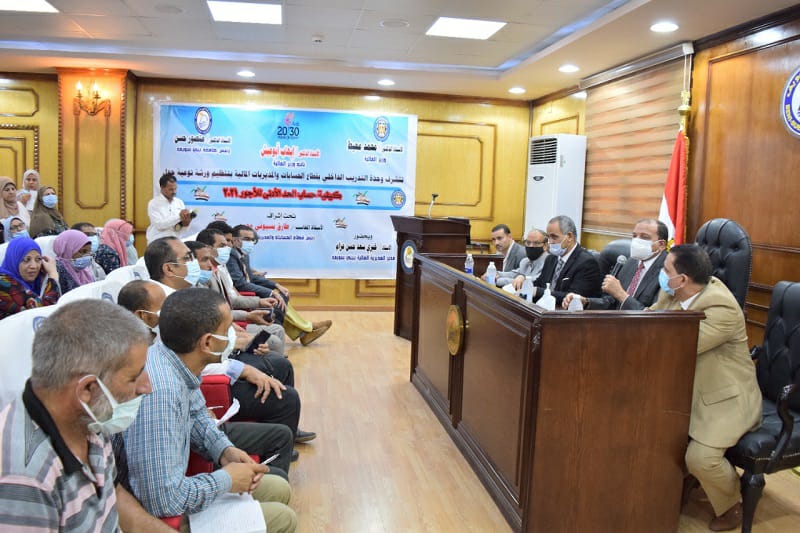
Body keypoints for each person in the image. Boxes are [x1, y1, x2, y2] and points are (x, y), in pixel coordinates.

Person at [115, 288, 297, 532]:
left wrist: (224, 450)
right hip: (155, 517)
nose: (234, 335)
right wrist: (227, 480)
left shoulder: (175, 360)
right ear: (208, 342)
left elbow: (198, 414)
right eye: (227, 330)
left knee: (279, 488)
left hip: (172, 492)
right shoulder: (160, 394)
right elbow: (162, 501)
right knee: (284, 518)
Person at [0, 299, 173, 532]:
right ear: (87, 389)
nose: (147, 387)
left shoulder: (90, 418)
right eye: (133, 378)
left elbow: (114, 498)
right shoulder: (24, 479)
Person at [144, 237, 315, 444]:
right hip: (212, 378)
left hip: (223, 358)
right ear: (169, 269)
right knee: (287, 397)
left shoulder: (182, 293)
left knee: (280, 365)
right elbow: (191, 361)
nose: (196, 264)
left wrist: (239, 341)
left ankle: (284, 431)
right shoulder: (163, 306)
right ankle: (278, 440)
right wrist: (242, 366)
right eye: (188, 258)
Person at [649, 244, 761, 531]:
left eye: (666, 270)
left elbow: (677, 347)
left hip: (725, 400)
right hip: (685, 391)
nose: (661, 274)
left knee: (701, 459)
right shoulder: (673, 292)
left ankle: (731, 505)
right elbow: (649, 320)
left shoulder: (721, 308)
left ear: (683, 279)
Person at [228, 223, 332, 346]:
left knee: (282, 296)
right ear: (235, 240)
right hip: (243, 296)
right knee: (277, 300)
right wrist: (271, 292)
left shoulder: (243, 254)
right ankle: (306, 328)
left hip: (249, 292)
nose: (250, 242)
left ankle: (304, 331)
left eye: (252, 240)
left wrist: (276, 285)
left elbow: (251, 277)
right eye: (246, 239)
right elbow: (241, 284)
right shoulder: (231, 255)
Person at [195, 229, 286, 354]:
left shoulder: (218, 270)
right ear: (208, 248)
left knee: (277, 328)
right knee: (274, 339)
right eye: (222, 246)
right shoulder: (203, 277)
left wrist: (259, 302)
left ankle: (270, 362)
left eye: (228, 244)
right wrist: (246, 316)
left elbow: (231, 300)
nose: (227, 249)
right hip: (223, 328)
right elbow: (214, 314)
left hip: (230, 322)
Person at [563, 218, 668, 310]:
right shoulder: (632, 261)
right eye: (634, 236)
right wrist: (586, 302)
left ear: (661, 244)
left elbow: (653, 316)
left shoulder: (668, 271)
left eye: (644, 237)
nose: (637, 241)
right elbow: (613, 302)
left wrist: (621, 294)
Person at [531, 215, 602, 307]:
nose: (550, 242)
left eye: (554, 237)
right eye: (548, 237)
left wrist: (539, 292)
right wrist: (524, 282)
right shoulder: (551, 258)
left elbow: (573, 298)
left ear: (569, 237)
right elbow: (540, 283)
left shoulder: (586, 262)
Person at [0, 237, 60, 319]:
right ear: (14, 259)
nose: (34, 266)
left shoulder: (27, 281)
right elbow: (45, 312)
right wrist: (53, 274)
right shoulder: (4, 282)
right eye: (26, 260)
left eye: (38, 259)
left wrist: (43, 278)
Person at [146, 171, 194, 243]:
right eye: (171, 189)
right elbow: (159, 225)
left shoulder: (179, 202)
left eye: (175, 189)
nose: (174, 192)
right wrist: (179, 216)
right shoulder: (154, 203)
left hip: (175, 241)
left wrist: (186, 223)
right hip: (157, 242)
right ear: (162, 188)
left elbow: (180, 228)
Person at [53, 229, 95, 294]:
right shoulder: (57, 270)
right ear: (68, 249)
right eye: (83, 251)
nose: (88, 256)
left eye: (89, 251)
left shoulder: (84, 271)